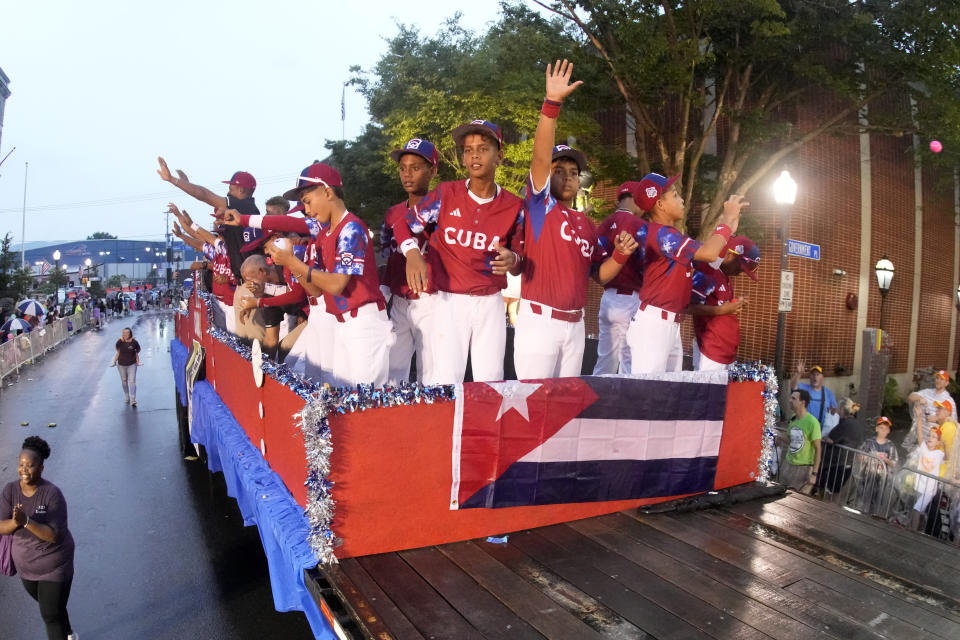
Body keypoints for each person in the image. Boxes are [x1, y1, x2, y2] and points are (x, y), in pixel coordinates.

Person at [514, 60, 637, 379]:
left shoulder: (585, 224)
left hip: (576, 325)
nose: (567, 177)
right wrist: (552, 103)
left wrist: (621, 256)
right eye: (559, 171)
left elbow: (601, 274)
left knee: (563, 410)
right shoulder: (540, 207)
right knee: (533, 404)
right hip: (540, 321)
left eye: (573, 172)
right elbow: (541, 157)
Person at [226, 163, 394, 387]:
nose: (306, 209)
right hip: (341, 321)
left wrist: (292, 261)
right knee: (337, 396)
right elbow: (314, 289)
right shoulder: (325, 231)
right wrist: (290, 262)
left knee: (362, 404)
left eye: (307, 200)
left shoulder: (351, 228)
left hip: (363, 321)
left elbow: (336, 285)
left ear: (327, 192)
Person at [396, 119, 524, 383]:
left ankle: (483, 426)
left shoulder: (514, 206)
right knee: (445, 380)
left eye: (483, 148)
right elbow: (404, 226)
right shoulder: (446, 193)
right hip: (448, 300)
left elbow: (521, 258)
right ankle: (444, 426)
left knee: (491, 381)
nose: (474, 154)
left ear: (499, 155)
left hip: (490, 300)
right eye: (468, 149)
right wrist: (412, 254)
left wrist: (513, 258)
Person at [623, 174, 747, 373]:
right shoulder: (661, 234)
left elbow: (712, 258)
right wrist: (724, 220)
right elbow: (709, 253)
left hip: (669, 325)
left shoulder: (671, 235)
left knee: (668, 396)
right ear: (660, 204)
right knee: (647, 396)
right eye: (674, 195)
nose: (681, 200)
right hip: (653, 326)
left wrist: (729, 224)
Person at [0, 436, 77, 640]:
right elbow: (1, 526)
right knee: (52, 608)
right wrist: (16, 523)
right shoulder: (10, 490)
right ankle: (69, 632)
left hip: (55, 565)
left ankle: (64, 633)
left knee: (50, 615)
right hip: (26, 568)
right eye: (21, 464)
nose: (24, 469)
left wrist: (26, 522)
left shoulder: (52, 494)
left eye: (30, 465)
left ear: (41, 468)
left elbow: (54, 536)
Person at [379, 137, 442, 384]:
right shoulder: (393, 212)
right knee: (393, 368)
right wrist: (384, 291)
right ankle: (395, 419)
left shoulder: (443, 210)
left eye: (416, 168)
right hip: (400, 301)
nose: (407, 174)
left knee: (431, 371)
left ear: (432, 170)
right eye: (403, 168)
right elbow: (391, 259)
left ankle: (431, 421)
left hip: (432, 300)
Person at [592, 181, 645, 375]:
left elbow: (596, 270)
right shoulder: (640, 225)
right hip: (632, 300)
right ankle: (625, 405)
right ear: (635, 199)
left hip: (608, 298)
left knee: (604, 362)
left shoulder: (603, 225)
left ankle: (598, 404)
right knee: (630, 365)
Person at [688, 235, 761, 370]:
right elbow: (687, 306)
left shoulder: (726, 276)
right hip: (710, 352)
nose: (740, 273)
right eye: (740, 268)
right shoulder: (708, 272)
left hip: (725, 352)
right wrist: (721, 310)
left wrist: (734, 304)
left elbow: (718, 303)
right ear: (730, 255)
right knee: (707, 390)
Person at [169, 205, 238, 333]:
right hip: (218, 302)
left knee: (235, 340)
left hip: (233, 304)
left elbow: (199, 235)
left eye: (221, 236)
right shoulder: (217, 251)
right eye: (218, 236)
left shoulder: (232, 251)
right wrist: (181, 235)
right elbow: (199, 242)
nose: (218, 238)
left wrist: (205, 265)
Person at [849, 416, 899, 517]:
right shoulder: (869, 442)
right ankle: (862, 516)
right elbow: (859, 455)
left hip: (882, 478)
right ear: (876, 428)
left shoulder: (890, 446)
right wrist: (866, 458)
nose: (883, 430)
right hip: (867, 475)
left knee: (877, 499)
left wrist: (886, 460)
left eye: (886, 428)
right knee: (864, 496)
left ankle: (872, 517)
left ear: (889, 431)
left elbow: (894, 462)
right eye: (881, 428)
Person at [781, 388, 822, 492]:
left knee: (798, 502)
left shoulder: (812, 422)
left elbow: (818, 449)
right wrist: (777, 435)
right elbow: (790, 440)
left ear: (802, 403)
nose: (790, 400)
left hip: (803, 468)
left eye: (794, 398)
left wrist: (814, 474)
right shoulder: (794, 419)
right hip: (789, 464)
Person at [907, 370, 958, 447]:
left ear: (946, 383)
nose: (938, 381)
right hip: (922, 437)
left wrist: (937, 420)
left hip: (936, 442)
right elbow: (911, 397)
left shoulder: (949, 401)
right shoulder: (927, 392)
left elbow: (953, 423)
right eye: (937, 378)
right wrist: (920, 398)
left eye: (942, 379)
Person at [790, 363, 839, 435]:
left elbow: (835, 411)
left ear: (822, 377)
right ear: (809, 377)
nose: (815, 377)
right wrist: (798, 373)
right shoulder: (803, 388)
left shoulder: (828, 393)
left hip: (820, 433)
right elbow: (793, 386)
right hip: (804, 430)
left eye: (817, 375)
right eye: (813, 375)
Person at [111, 327, 142, 406]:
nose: (125, 334)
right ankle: (127, 395)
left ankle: (133, 399)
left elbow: (138, 350)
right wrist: (115, 361)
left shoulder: (134, 342)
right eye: (123, 333)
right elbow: (117, 350)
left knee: (131, 382)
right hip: (121, 365)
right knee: (124, 382)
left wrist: (137, 361)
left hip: (132, 364)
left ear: (130, 333)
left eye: (127, 333)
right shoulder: (120, 342)